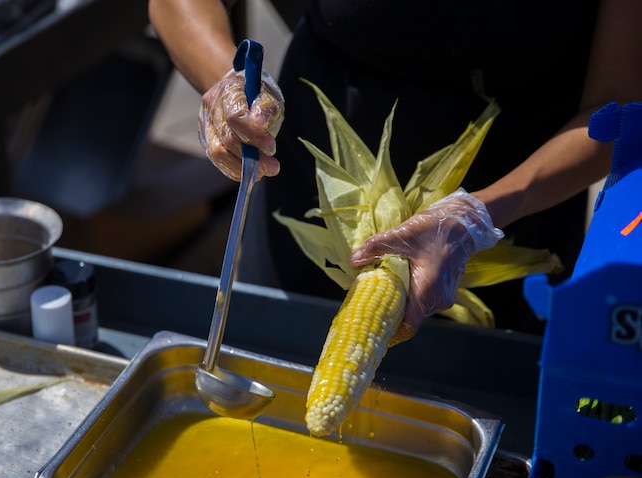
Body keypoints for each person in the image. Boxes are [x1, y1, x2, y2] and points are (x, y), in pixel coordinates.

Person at [148, 0, 642, 340]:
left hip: (509, 215)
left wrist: (476, 217)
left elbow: (615, 110)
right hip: (309, 192)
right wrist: (227, 82)